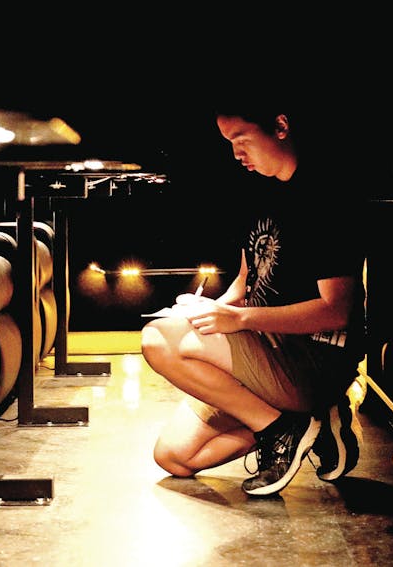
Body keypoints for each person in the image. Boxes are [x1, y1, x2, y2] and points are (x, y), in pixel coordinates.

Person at [140, 95, 366, 497]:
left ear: (280, 126)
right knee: (173, 457)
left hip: (313, 360)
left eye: (241, 138)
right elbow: (246, 284)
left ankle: (286, 429)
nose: (235, 153)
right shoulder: (259, 192)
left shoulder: (327, 195)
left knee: (158, 339)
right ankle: (293, 426)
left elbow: (337, 310)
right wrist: (213, 309)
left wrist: (240, 321)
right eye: (228, 142)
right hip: (264, 352)